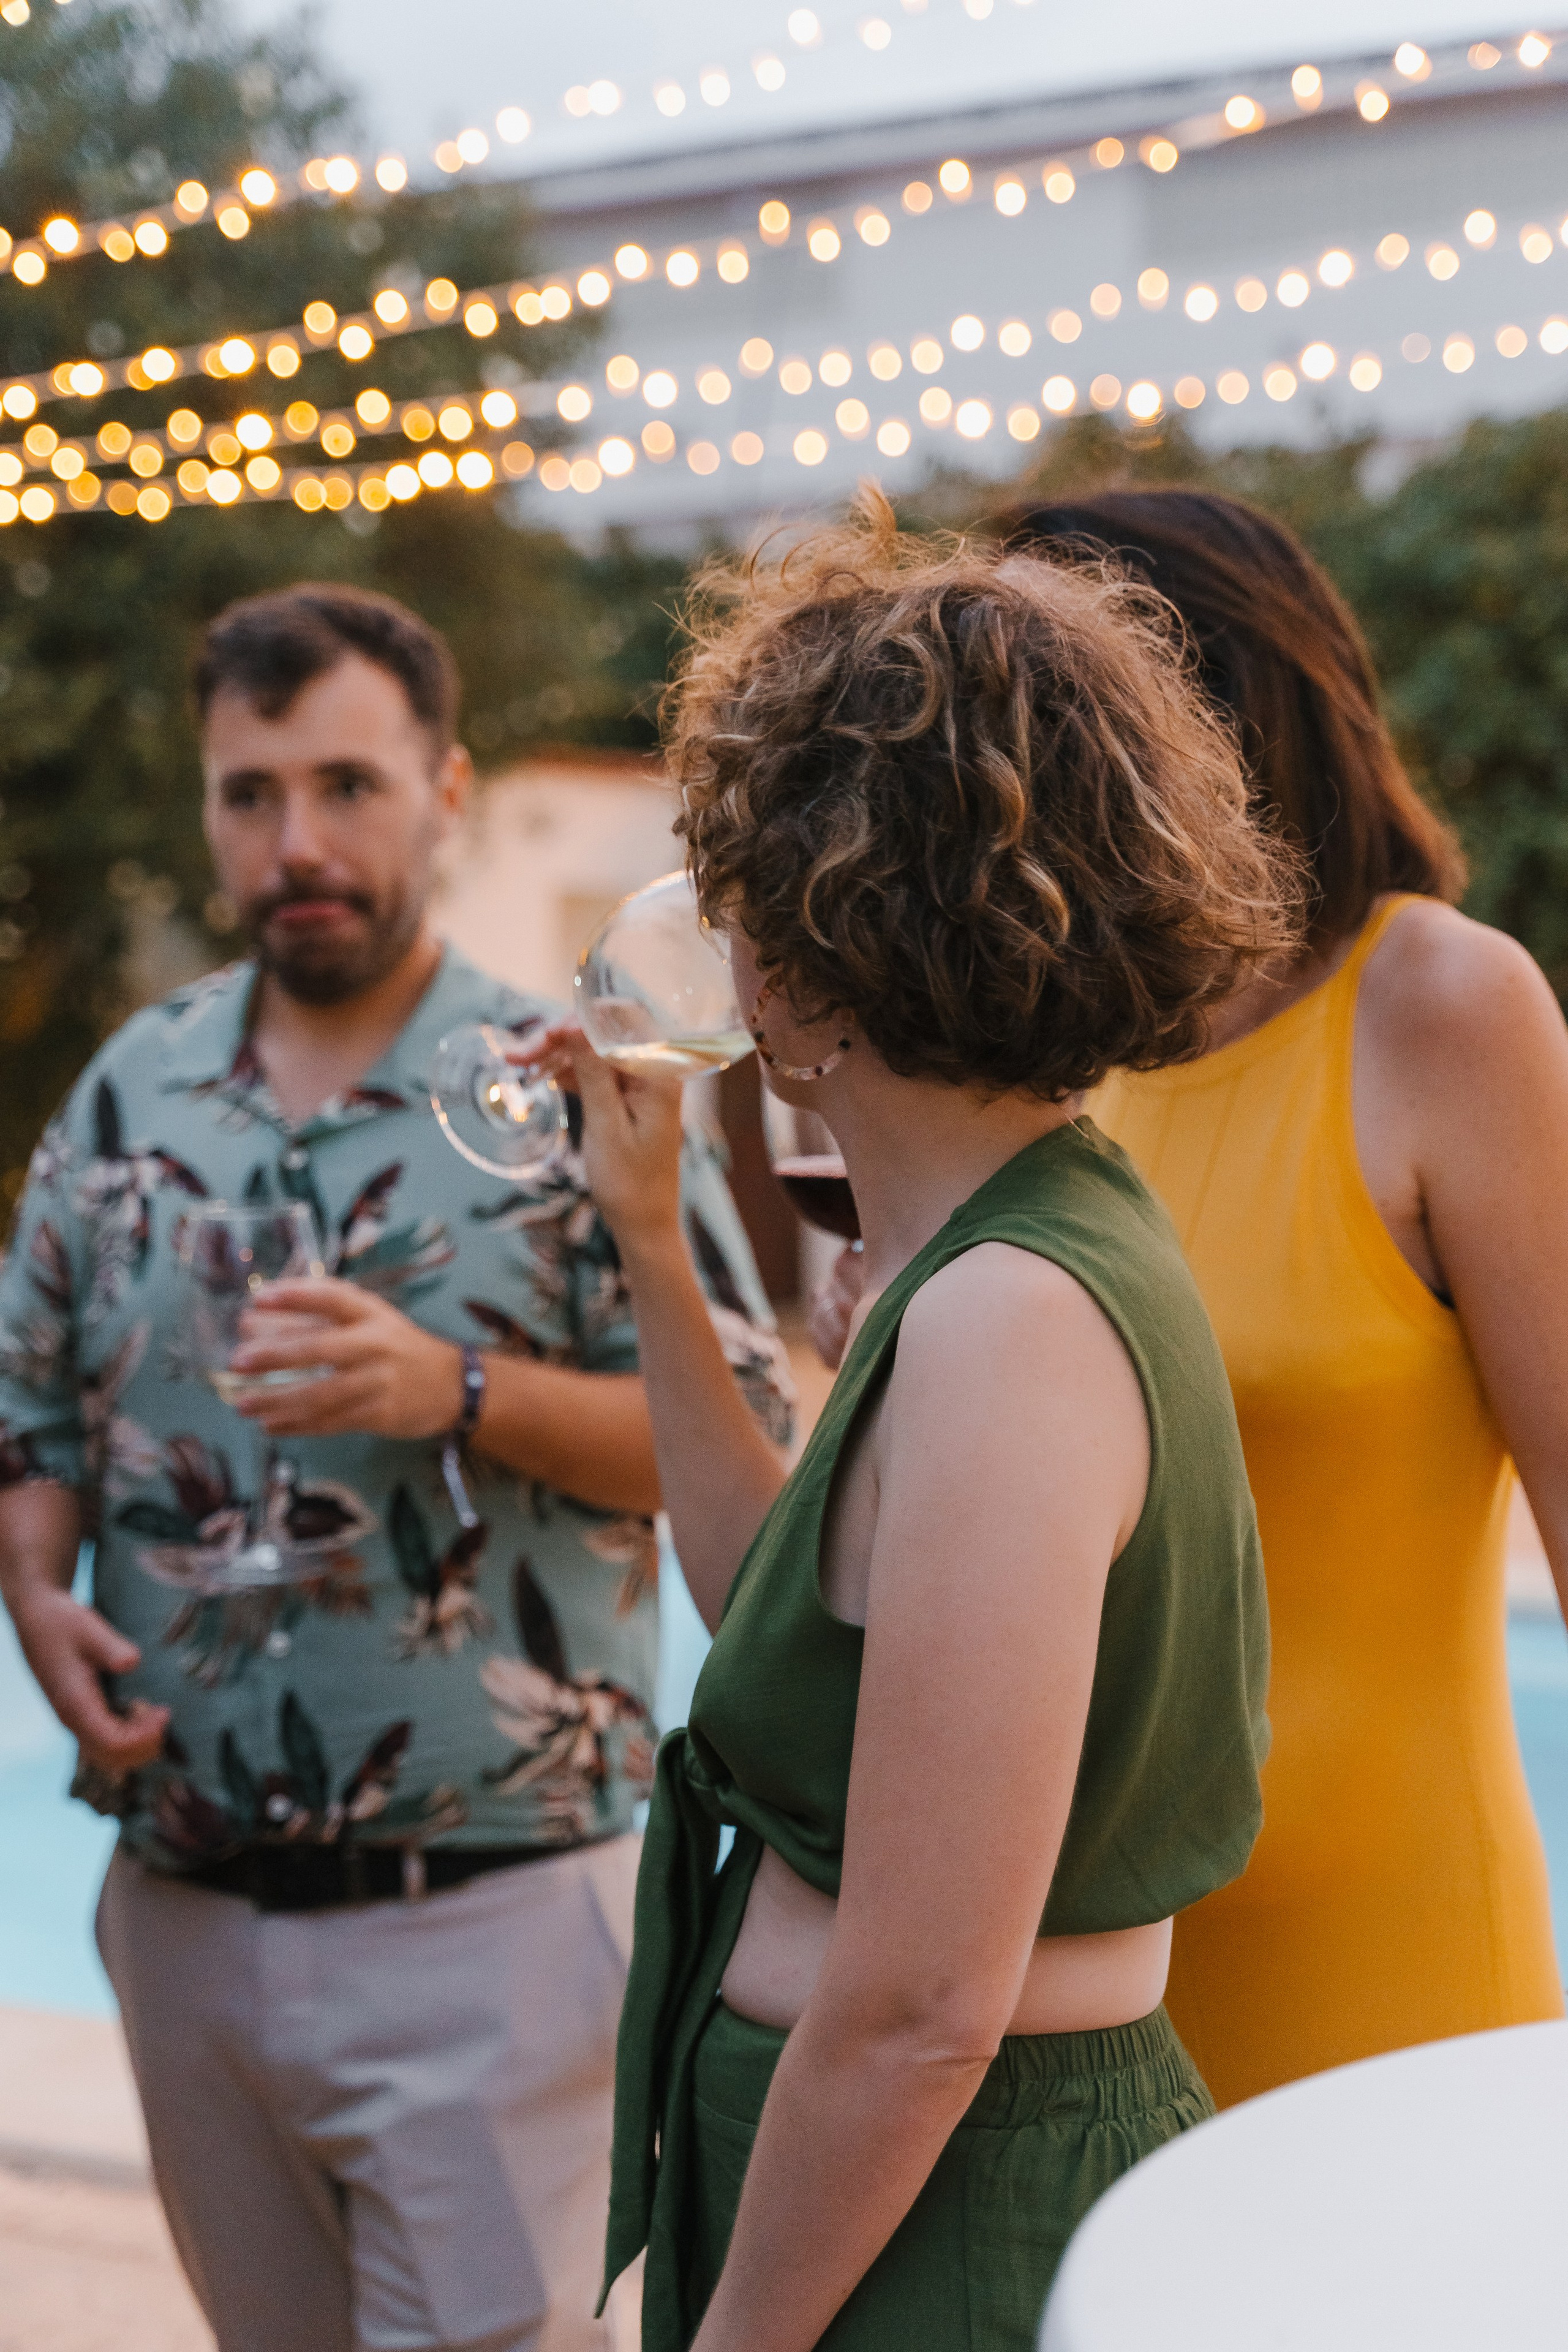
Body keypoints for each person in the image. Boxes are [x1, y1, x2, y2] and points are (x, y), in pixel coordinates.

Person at [0, 584, 791, 2352]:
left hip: (490, 1931)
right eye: (252, 793)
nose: (298, 843)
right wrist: (35, 1594)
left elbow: (745, 1443)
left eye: (347, 786)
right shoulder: (132, 1091)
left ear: (445, 791)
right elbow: (28, 1410)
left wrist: (457, 1387)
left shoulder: (575, 1082)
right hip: (181, 1920)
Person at [543, 495, 1294, 2352]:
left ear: (801, 964)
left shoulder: (1008, 1321)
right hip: (884, 2183)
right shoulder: (1000, 1251)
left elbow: (921, 2009)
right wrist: (649, 1243)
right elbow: (784, 1624)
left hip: (942, 2218)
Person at [999, 487, 1568, 2107]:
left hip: (1386, 1972)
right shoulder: (1042, 1054)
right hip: (1074, 1984)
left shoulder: (1443, 1005)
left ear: (1214, 714)